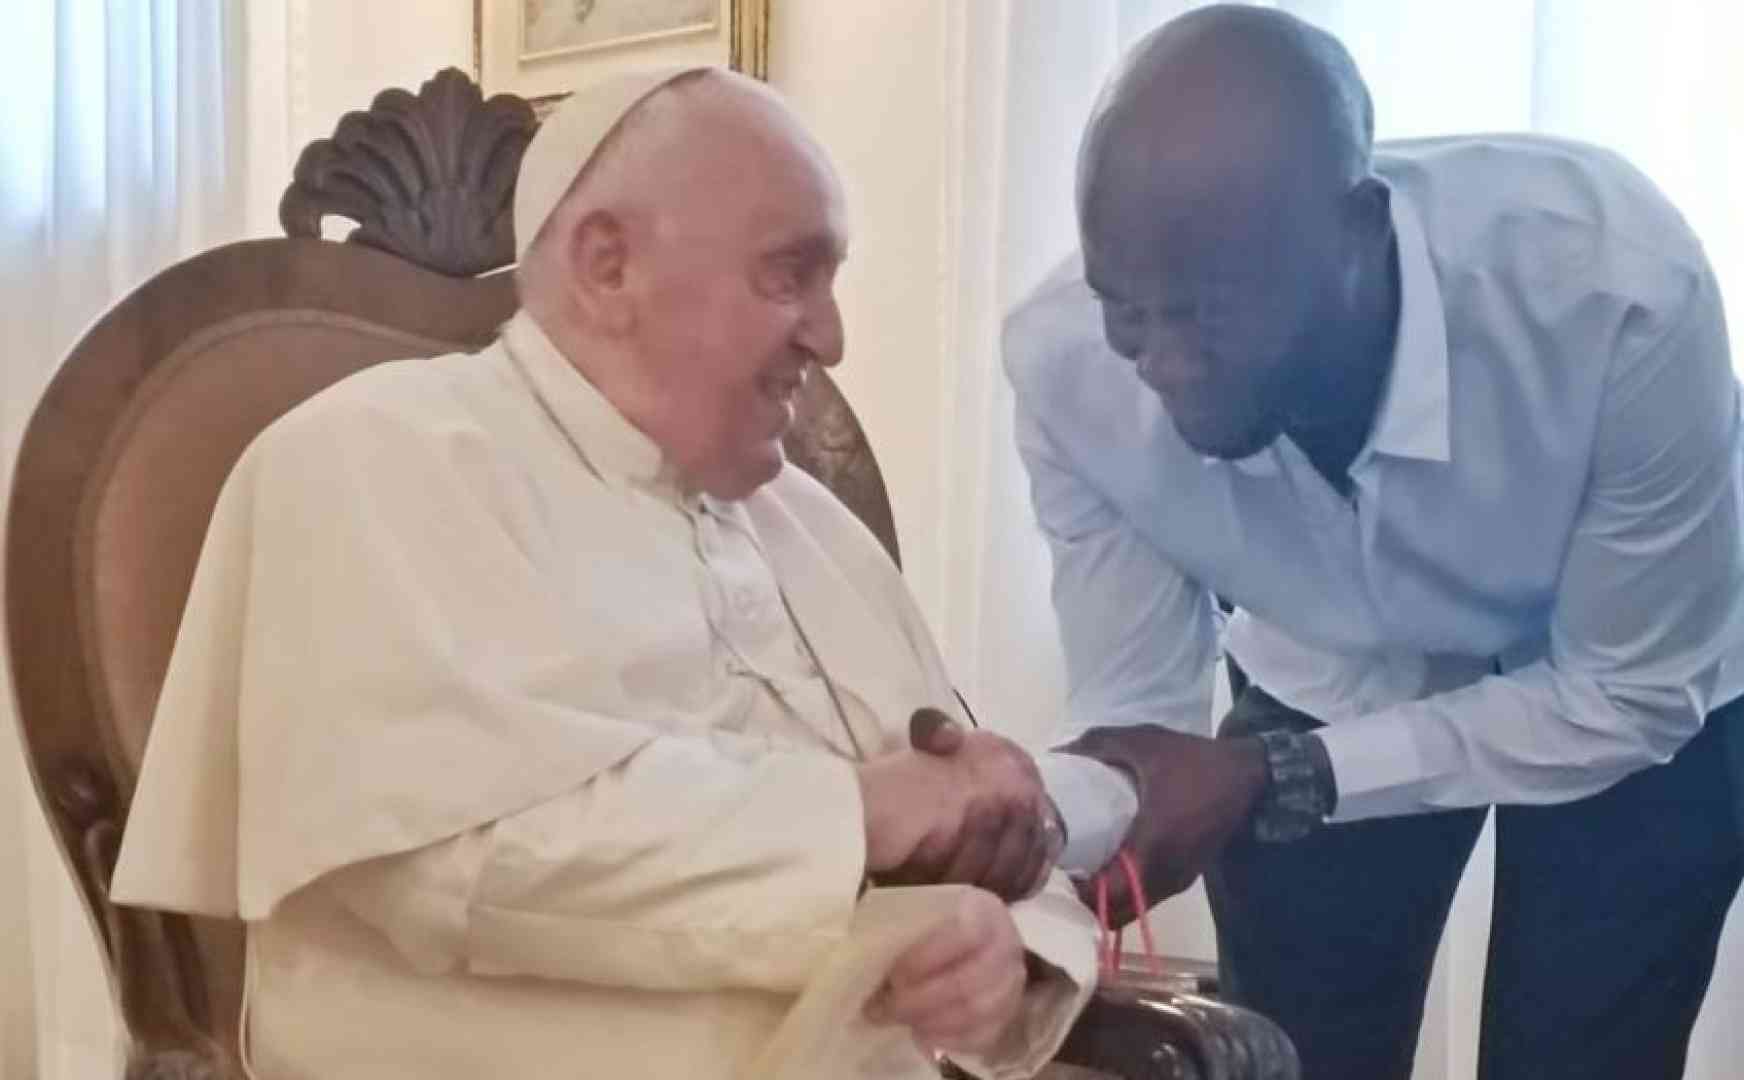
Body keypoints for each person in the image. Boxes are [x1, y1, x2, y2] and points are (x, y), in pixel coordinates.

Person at [111, 67, 1093, 1079]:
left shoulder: (816, 527)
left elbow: (971, 822)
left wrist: (1003, 954)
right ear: (606, 265)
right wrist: (857, 817)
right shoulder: (370, 457)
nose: (830, 336)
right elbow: (446, 861)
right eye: (788, 275)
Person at [1004, 6, 1744, 1078]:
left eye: (1209, 314)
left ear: (1360, 229)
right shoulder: (1068, 368)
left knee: (1580, 1048)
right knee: (1296, 1051)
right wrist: (1046, 816)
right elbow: (1138, 714)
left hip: (1630, 650)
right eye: (1130, 313)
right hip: (1335, 655)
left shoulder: (1613, 290)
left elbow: (1627, 691)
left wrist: (1276, 772)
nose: (1168, 365)